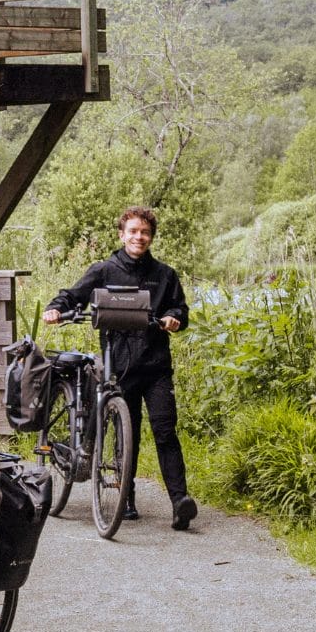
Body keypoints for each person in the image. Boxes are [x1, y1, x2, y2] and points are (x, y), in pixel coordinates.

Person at [44, 205, 199, 529]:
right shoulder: (104, 270)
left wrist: (174, 318)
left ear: (151, 237)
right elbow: (73, 296)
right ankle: (125, 499)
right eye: (133, 231)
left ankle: (179, 502)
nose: (139, 237)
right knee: (126, 434)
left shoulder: (165, 275)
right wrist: (56, 310)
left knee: (165, 429)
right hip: (120, 366)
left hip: (156, 367)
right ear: (122, 234)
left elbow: (179, 309)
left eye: (144, 232)